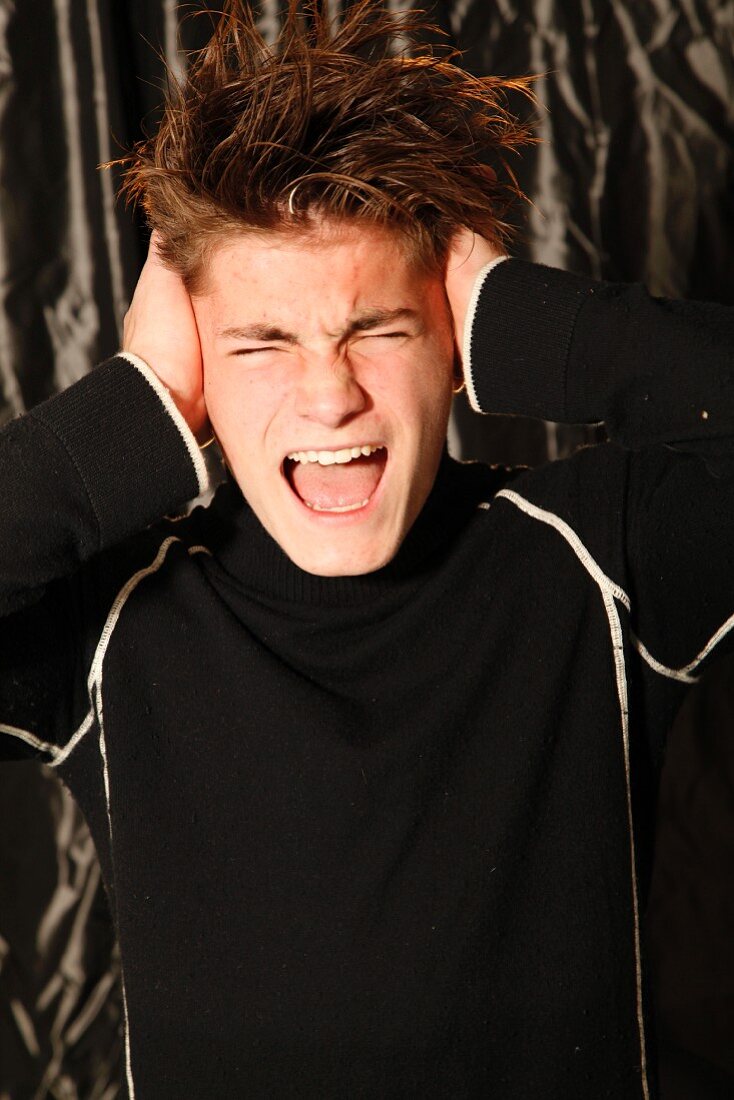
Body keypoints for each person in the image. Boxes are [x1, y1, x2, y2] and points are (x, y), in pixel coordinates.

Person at [1, 2, 732, 1097]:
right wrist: (136, 407)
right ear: (196, 362)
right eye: (262, 340)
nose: (329, 393)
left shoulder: (596, 560)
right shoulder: (113, 618)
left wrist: (523, 318)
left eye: (376, 329)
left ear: (452, 346)